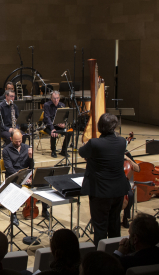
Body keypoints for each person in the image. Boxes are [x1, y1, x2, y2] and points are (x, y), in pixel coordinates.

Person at [78, 113, 130, 246]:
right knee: (114, 225)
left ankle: (100, 257)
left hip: (100, 192)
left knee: (100, 228)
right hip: (118, 191)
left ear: (100, 127)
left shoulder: (95, 143)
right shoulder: (122, 141)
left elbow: (82, 152)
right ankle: (115, 254)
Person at [1, 130, 48, 220]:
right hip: (14, 177)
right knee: (14, 187)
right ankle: (13, 214)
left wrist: (30, 157)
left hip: (27, 176)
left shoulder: (26, 148)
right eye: (16, 141)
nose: (18, 143)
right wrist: (23, 178)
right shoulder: (6, 150)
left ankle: (45, 210)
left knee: (44, 183)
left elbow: (31, 167)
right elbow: (10, 169)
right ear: (11, 139)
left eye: (20, 141)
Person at [43, 91, 72, 158]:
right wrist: (52, 128)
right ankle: (53, 150)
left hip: (58, 125)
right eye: (54, 98)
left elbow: (64, 118)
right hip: (48, 126)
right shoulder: (47, 105)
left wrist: (64, 124)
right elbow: (47, 118)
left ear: (59, 98)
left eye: (57, 98)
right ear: (51, 98)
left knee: (69, 132)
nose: (56, 100)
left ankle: (63, 151)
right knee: (54, 133)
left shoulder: (62, 105)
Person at [121, 144, 140, 228]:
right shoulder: (110, 152)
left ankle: (125, 217)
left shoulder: (126, 153)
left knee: (130, 195)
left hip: (124, 180)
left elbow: (137, 168)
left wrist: (128, 159)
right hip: (113, 180)